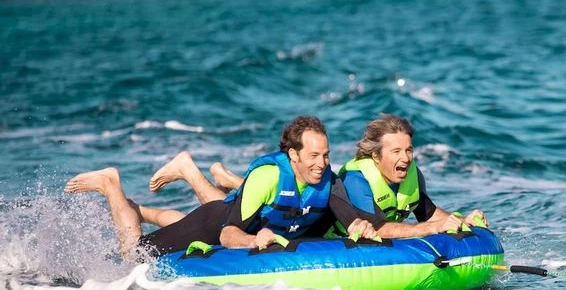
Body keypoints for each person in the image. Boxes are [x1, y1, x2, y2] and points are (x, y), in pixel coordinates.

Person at [64, 116, 374, 258]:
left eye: (326, 155)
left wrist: (363, 226)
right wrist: (253, 240)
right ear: (293, 155)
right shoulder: (268, 177)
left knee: (191, 220)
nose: (322, 163)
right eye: (314, 156)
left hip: (231, 213)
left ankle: (143, 207)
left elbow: (352, 220)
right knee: (133, 253)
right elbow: (228, 234)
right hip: (213, 224)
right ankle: (110, 184)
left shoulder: (326, 181)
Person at [328, 114, 487, 239]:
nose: (405, 158)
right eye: (396, 151)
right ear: (376, 155)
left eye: (408, 150)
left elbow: (428, 213)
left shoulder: (412, 175)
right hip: (334, 245)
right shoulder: (356, 179)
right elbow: (378, 228)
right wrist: (432, 228)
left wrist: (463, 221)